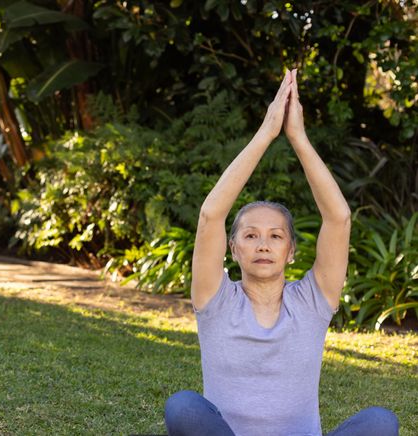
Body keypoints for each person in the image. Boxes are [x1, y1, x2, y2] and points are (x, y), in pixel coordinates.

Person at [163, 70, 399, 436]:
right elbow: (211, 215)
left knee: (381, 422)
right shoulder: (215, 300)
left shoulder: (311, 302)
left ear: (290, 251)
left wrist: (298, 137)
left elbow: (339, 219)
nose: (263, 244)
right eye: (251, 235)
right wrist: (266, 133)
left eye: (275, 236)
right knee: (183, 407)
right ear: (234, 248)